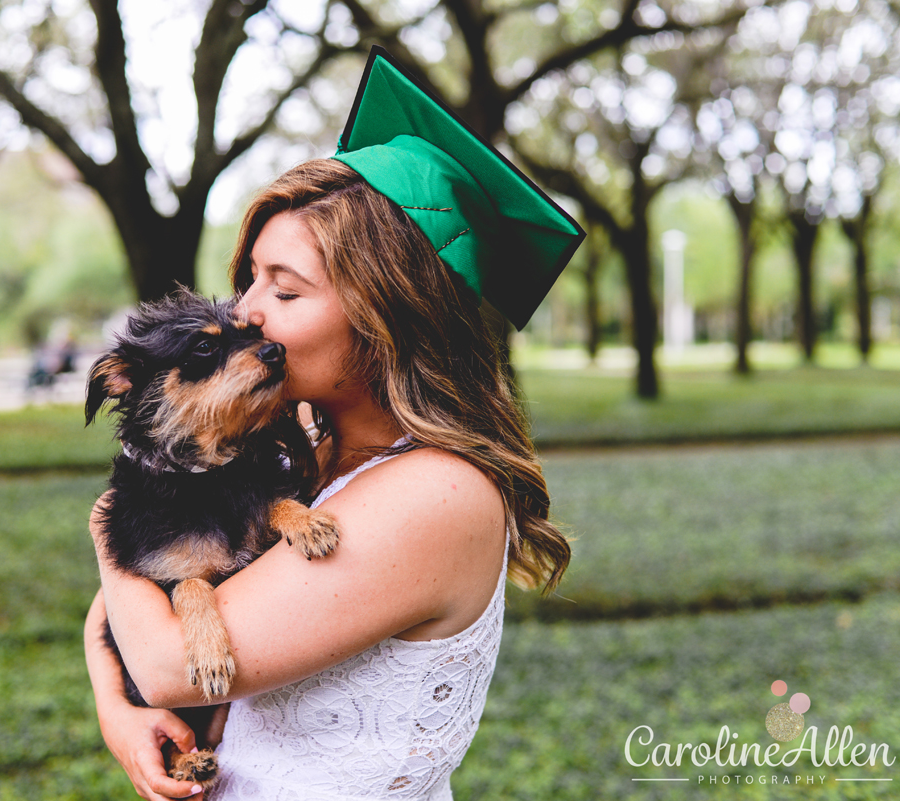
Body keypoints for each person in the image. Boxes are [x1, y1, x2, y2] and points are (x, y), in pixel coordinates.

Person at [84, 48, 585, 801]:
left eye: (283, 291)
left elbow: (165, 660)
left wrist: (104, 527)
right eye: (249, 276)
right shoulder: (308, 454)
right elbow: (136, 597)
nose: (245, 311)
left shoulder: (436, 494)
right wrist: (118, 711)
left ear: (386, 319)